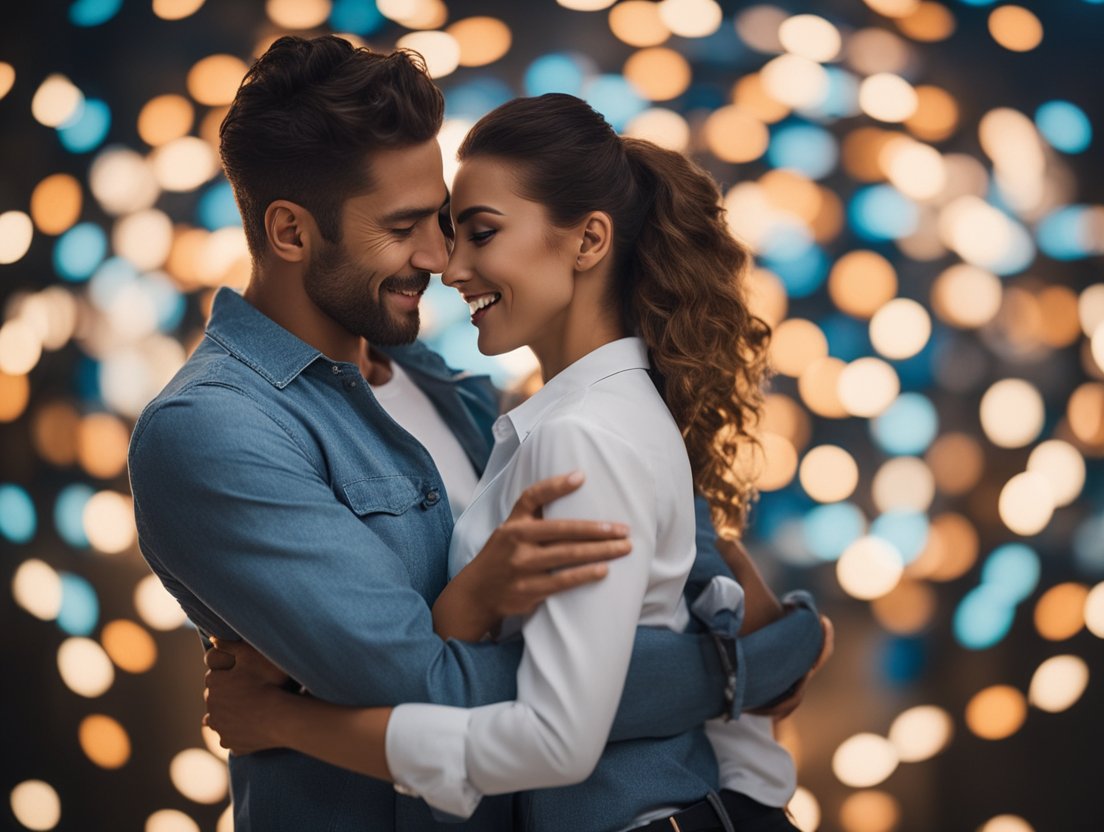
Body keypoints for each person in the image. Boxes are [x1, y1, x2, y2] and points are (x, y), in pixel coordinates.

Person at [127, 36, 827, 832]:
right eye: (403, 226)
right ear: (290, 232)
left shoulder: (455, 387)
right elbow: (434, 687)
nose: (438, 256)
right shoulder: (214, 432)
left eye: (446, 219)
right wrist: (747, 670)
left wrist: (289, 713)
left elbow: (695, 584)